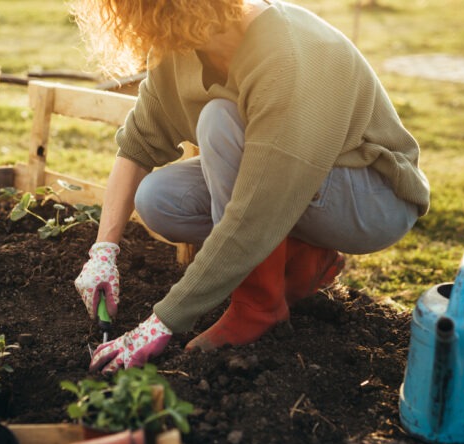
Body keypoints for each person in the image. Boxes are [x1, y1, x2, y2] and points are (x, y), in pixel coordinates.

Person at [72, 0, 430, 374]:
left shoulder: (285, 54)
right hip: (294, 185)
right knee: (159, 199)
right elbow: (136, 145)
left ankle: (259, 306)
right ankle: (303, 258)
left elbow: (255, 212)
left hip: (371, 198)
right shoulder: (180, 49)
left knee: (218, 121)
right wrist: (103, 251)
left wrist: (160, 323)